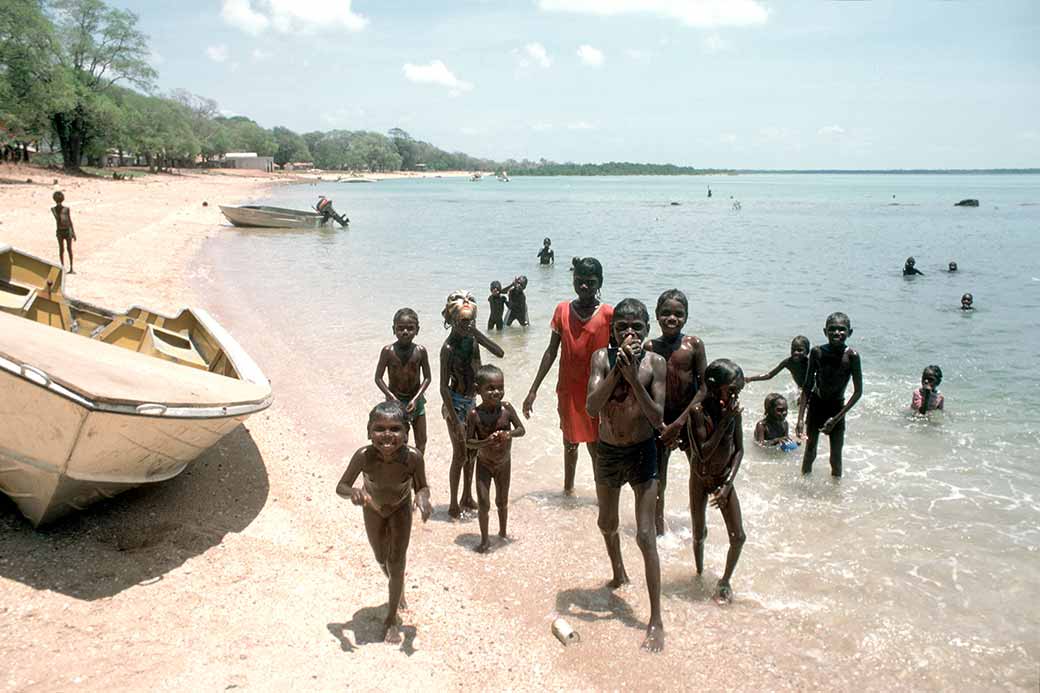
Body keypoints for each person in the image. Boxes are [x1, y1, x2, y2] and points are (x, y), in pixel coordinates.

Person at [586, 298, 667, 652]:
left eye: (636, 327)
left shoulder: (656, 364)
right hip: (609, 450)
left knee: (646, 536)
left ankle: (655, 618)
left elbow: (656, 417)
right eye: (622, 327)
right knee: (606, 522)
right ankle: (618, 570)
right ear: (612, 331)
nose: (629, 333)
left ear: (647, 331)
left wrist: (634, 377)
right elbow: (591, 407)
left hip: (642, 450)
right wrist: (619, 371)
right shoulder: (601, 359)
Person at [335, 401, 432, 644]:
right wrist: (354, 492)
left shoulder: (413, 458)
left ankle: (391, 620)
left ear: (406, 434)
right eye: (380, 428)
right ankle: (397, 588)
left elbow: (422, 487)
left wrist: (422, 499)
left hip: (400, 509)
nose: (387, 435)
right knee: (381, 559)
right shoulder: (363, 457)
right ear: (369, 432)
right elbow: (341, 486)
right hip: (373, 509)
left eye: (395, 429)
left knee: (396, 562)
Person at [524, 257, 613, 495]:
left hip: (597, 392)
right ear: (573, 280)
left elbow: (616, 358)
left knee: (596, 445)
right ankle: (568, 491)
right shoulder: (562, 310)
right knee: (570, 443)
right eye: (580, 281)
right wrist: (533, 390)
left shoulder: (608, 314)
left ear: (600, 283)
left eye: (591, 282)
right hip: (568, 389)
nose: (584, 286)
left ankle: (600, 496)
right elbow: (551, 352)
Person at [643, 289, 706, 536]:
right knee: (659, 481)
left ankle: (698, 529)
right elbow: (646, 388)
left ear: (686, 317)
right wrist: (659, 425)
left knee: (698, 475)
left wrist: (680, 423)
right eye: (666, 313)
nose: (672, 318)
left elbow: (703, 388)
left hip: (689, 420)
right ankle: (658, 532)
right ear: (657, 316)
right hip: (660, 424)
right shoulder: (650, 346)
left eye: (678, 314)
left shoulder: (694, 345)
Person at [686, 359, 747, 604]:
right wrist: (724, 422)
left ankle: (725, 581)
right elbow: (703, 452)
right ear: (713, 388)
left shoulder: (733, 412)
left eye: (738, 391)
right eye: (731, 390)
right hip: (700, 478)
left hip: (723, 478)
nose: (734, 396)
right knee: (699, 532)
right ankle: (699, 572)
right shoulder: (697, 413)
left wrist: (728, 484)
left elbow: (740, 450)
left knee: (739, 536)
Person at [440, 290, 505, 518]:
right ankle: (453, 502)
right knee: (460, 454)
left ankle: (467, 496)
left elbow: (499, 352)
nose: (466, 326)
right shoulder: (448, 349)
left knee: (472, 454)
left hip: (472, 402)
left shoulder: (473, 340)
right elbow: (442, 388)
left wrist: (476, 331)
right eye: (462, 322)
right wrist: (456, 419)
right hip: (455, 404)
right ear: (451, 321)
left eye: (470, 321)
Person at [795, 312, 863, 477]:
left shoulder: (852, 356)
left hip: (837, 408)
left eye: (842, 329)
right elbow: (807, 386)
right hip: (817, 406)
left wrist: (837, 418)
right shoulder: (817, 352)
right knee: (810, 452)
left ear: (850, 332)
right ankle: (803, 489)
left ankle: (836, 495)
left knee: (836, 457)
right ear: (825, 331)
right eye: (832, 329)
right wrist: (800, 419)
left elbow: (858, 392)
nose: (837, 333)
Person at [465, 364, 525, 553]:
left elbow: (521, 429)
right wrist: (485, 442)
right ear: (478, 390)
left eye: (500, 387)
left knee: (502, 501)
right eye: (490, 388)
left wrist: (509, 434)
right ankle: (484, 541)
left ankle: (503, 533)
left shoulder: (506, 409)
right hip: (483, 464)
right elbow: (468, 443)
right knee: (484, 504)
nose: (496, 392)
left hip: (503, 464)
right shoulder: (474, 414)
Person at [374, 308, 432, 454]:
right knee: (399, 442)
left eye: (410, 328)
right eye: (400, 328)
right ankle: (400, 472)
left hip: (416, 402)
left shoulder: (420, 351)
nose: (405, 332)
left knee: (422, 442)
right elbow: (378, 378)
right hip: (394, 404)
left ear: (417, 330)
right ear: (393, 329)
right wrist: (393, 398)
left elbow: (427, 378)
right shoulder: (388, 351)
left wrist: (416, 398)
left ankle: (418, 470)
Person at [745, 336, 811, 404]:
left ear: (807, 351)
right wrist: (750, 379)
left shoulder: (810, 363)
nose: (795, 352)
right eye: (793, 349)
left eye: (800, 350)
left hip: (811, 390)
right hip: (800, 389)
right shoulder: (788, 362)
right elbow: (769, 375)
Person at [50, 191, 76, 274]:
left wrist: (73, 233)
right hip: (60, 232)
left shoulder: (67, 209)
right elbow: (57, 218)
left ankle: (71, 267)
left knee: (69, 249)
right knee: (61, 249)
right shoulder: (53, 210)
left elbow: (70, 220)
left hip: (67, 230)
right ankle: (62, 267)